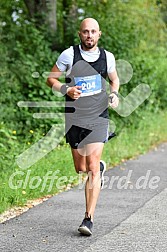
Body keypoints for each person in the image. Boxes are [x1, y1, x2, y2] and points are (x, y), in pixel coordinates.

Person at [47, 17, 119, 236]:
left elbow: (115, 80)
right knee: (80, 167)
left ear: (99, 34)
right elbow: (51, 79)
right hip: (75, 118)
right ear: (80, 34)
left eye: (93, 31)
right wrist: (66, 90)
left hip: (98, 116)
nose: (89, 35)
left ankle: (88, 219)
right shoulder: (69, 55)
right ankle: (98, 168)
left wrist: (114, 94)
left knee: (92, 167)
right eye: (86, 31)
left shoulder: (107, 57)